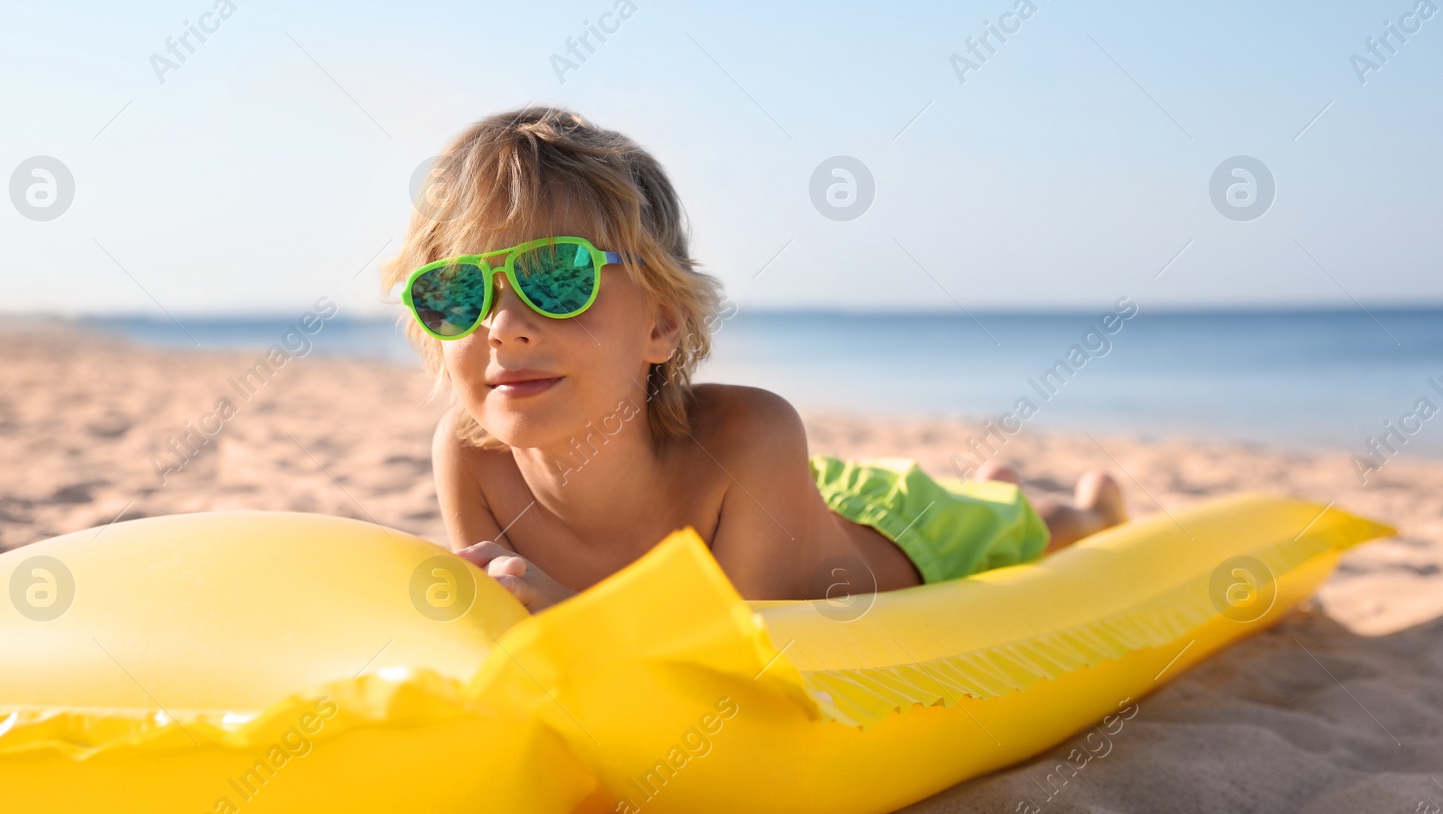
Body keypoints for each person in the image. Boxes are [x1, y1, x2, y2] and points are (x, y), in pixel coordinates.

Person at [379, 107, 1125, 613]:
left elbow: (742, 664)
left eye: (558, 277)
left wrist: (571, 615)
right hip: (793, 499)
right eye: (457, 291)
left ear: (662, 322)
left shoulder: (753, 437)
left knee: (1024, 530)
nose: (505, 326)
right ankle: (992, 487)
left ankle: (1083, 508)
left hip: (892, 530)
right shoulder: (470, 456)